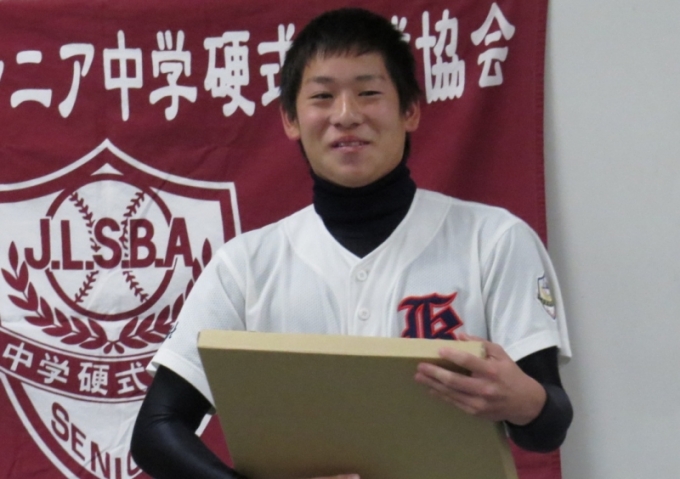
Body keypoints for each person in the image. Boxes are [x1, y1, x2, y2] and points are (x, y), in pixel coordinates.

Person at [131, 8, 573, 479]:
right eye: (322, 96)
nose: (346, 115)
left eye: (368, 93)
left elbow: (547, 429)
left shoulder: (494, 240)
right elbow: (156, 430)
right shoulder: (245, 265)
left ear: (410, 109)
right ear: (291, 119)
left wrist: (522, 401)